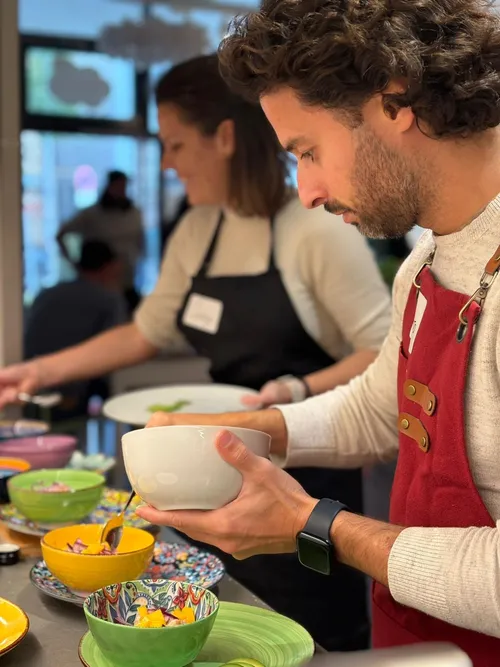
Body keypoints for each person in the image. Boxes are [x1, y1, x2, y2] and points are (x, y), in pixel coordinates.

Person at [134, 2, 500, 665]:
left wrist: (314, 523)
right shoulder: (426, 264)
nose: (305, 191)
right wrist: (246, 432)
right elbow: (376, 410)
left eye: (309, 151)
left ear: (395, 100)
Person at [0, 54, 391, 651]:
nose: (167, 163)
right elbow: (146, 332)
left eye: (176, 144)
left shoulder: (313, 229)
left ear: (226, 138)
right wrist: (36, 372)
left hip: (302, 474)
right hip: (210, 475)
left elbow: (383, 351)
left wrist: (294, 391)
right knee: (216, 626)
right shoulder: (199, 230)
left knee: (302, 640)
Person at [25, 240, 127, 418]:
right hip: (71, 392)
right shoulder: (109, 299)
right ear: (110, 267)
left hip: (30, 390)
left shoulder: (46, 294)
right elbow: (118, 348)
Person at [57, 170, 144, 314]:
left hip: (127, 281)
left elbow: (140, 240)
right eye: (118, 186)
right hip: (97, 285)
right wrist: (73, 263)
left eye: (124, 186)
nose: (121, 190)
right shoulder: (91, 215)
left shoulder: (134, 213)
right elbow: (61, 234)